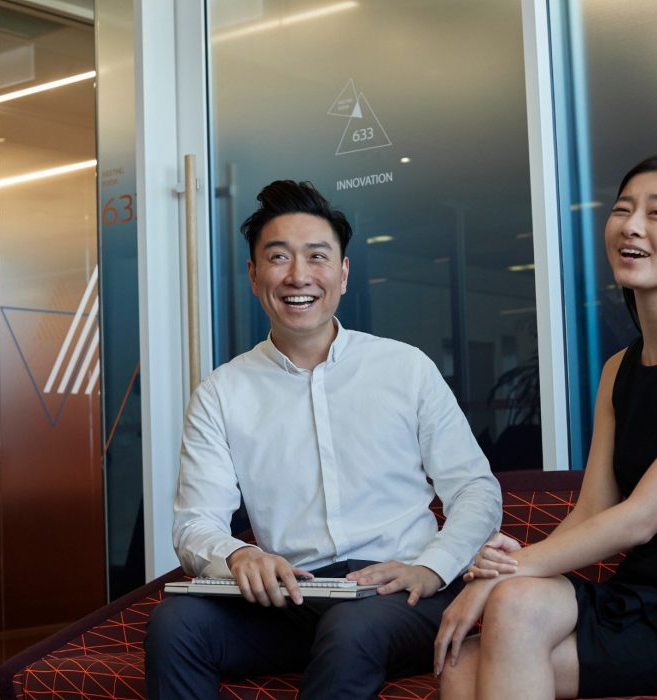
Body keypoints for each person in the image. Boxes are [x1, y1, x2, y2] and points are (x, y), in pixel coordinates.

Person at [144, 179, 502, 699]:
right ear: (253, 274)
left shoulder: (404, 368)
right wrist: (241, 558)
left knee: (352, 629)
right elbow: (196, 522)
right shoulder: (221, 393)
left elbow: (475, 488)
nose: (298, 276)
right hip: (294, 597)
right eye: (278, 257)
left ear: (343, 273)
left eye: (317, 257)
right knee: (178, 625)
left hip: (400, 594)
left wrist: (430, 568)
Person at [434, 155, 657, 700]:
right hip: (635, 598)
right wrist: (514, 571)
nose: (632, 226)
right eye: (623, 209)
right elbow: (592, 509)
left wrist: (500, 574)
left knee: (515, 598)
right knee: (461, 664)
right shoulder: (618, 371)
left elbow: (638, 520)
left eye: (656, 214)